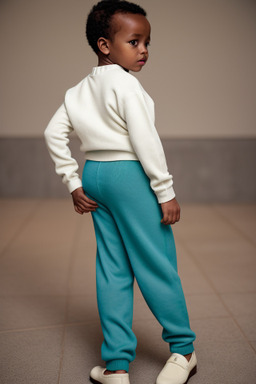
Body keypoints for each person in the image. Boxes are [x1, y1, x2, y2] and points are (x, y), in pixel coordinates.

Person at [44, 1, 197, 383]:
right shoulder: (127, 84)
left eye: (147, 42)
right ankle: (183, 351)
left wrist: (73, 182)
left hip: (94, 174)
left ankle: (115, 366)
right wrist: (165, 190)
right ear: (104, 45)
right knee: (155, 263)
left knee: (112, 269)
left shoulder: (77, 90)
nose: (144, 49)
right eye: (134, 41)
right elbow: (145, 140)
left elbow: (52, 134)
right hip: (129, 177)